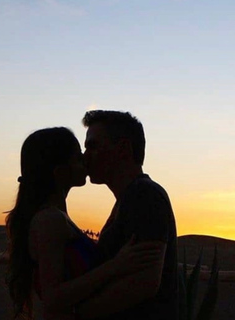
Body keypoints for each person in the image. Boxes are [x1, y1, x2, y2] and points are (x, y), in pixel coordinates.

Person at [5, 127, 160, 320]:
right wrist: (116, 265)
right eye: (78, 159)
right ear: (60, 172)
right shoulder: (49, 220)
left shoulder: (56, 217)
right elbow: (53, 297)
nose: (86, 161)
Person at [76, 110, 179, 320]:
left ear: (123, 149)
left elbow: (145, 283)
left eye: (93, 146)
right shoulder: (130, 198)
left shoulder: (145, 195)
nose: (85, 157)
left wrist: (78, 313)